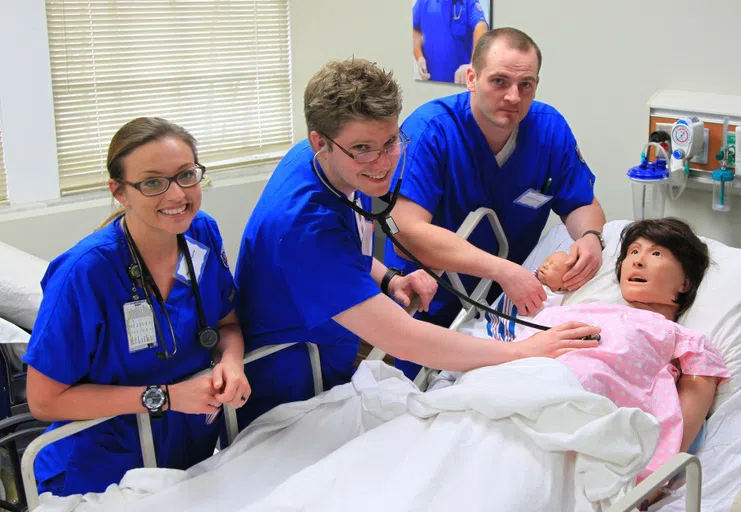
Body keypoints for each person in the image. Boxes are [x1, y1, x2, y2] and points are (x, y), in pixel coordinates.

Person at [234, 58, 601, 429]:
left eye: (391, 141)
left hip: (328, 354)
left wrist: (389, 279)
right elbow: (403, 339)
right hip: (287, 388)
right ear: (320, 142)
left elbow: (349, 247)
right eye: (363, 148)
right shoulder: (304, 226)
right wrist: (522, 351)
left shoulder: (325, 164)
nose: (383, 163)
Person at [23, 117, 251, 496]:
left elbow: (227, 324)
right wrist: (167, 396)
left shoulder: (201, 232)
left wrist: (231, 363)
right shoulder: (85, 273)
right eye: (152, 183)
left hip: (185, 460)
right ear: (120, 191)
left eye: (186, 175)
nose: (177, 195)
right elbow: (44, 401)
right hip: (98, 474)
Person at [386, 26, 607, 377]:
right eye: (499, 82)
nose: (513, 97)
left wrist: (592, 238)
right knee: (421, 398)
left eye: (526, 85)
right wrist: (501, 270)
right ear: (471, 78)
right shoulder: (432, 131)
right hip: (430, 292)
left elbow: (582, 203)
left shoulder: (549, 130)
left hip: (509, 303)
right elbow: (406, 233)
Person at [499, 219, 729, 484]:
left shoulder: (682, 339)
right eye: (633, 252)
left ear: (685, 283)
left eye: (655, 254)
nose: (637, 262)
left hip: (576, 428)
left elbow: (685, 419)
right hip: (509, 397)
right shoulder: (566, 310)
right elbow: (508, 357)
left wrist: (649, 482)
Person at [412, 0, 489, 84]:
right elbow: (414, 28)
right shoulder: (423, 2)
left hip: (461, 82)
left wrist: (474, 63)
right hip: (432, 82)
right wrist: (419, 57)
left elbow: (481, 26)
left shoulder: (468, 2)